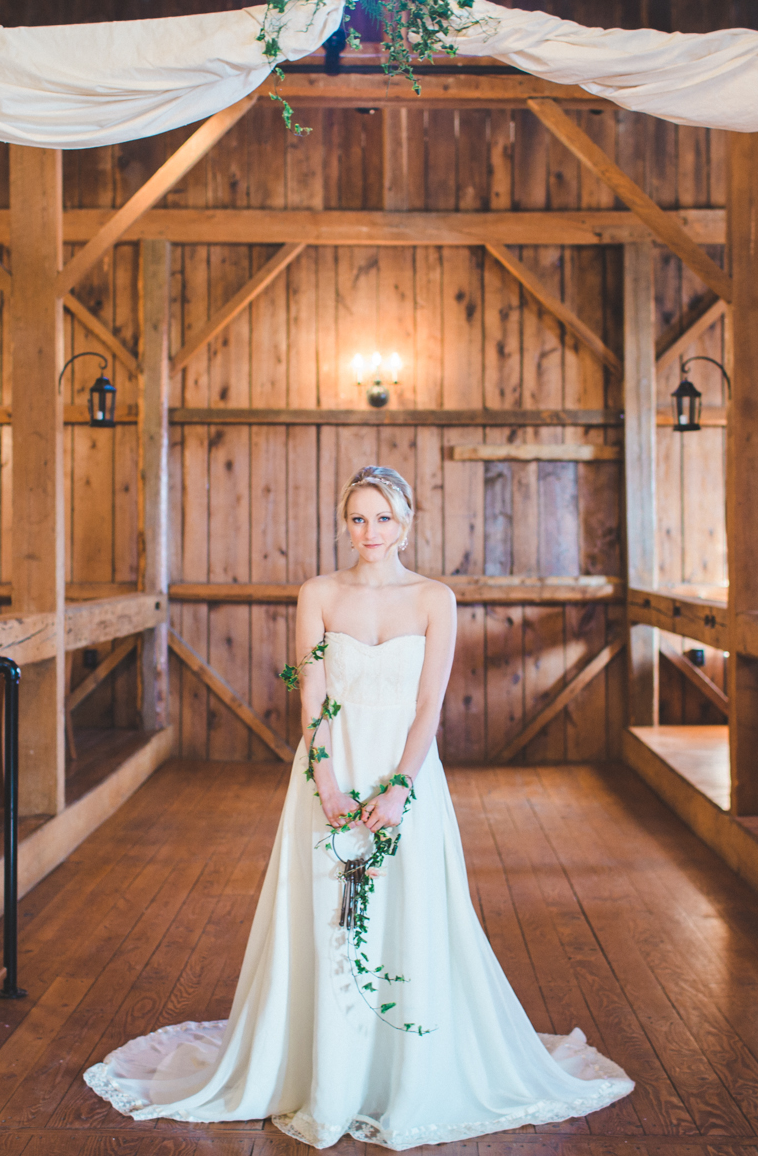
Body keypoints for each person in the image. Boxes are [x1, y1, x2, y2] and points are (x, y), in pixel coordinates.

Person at [85, 465, 632, 1149]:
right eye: (357, 518)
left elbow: (430, 703)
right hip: (331, 770)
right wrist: (329, 783)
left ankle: (402, 1072)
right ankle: (325, 1073)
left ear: (406, 523)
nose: (369, 532)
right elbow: (312, 701)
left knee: (410, 912)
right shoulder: (318, 593)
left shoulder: (436, 598)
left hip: (406, 774)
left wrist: (401, 786)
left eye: (382, 518)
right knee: (324, 916)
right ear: (345, 524)